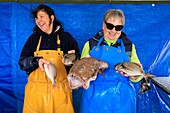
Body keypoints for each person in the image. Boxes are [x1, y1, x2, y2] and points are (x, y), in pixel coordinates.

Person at [18, 4, 80, 113]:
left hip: (60, 93)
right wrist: (37, 61)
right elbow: (22, 62)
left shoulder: (66, 38)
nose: (38, 20)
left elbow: (78, 64)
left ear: (51, 18)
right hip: (36, 94)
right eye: (36, 18)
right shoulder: (33, 39)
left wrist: (72, 58)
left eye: (42, 16)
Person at [80, 9, 143, 113]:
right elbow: (81, 71)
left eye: (118, 27)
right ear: (103, 25)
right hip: (94, 98)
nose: (113, 30)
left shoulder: (129, 47)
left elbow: (138, 74)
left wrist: (135, 76)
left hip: (121, 99)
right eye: (110, 26)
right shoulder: (90, 44)